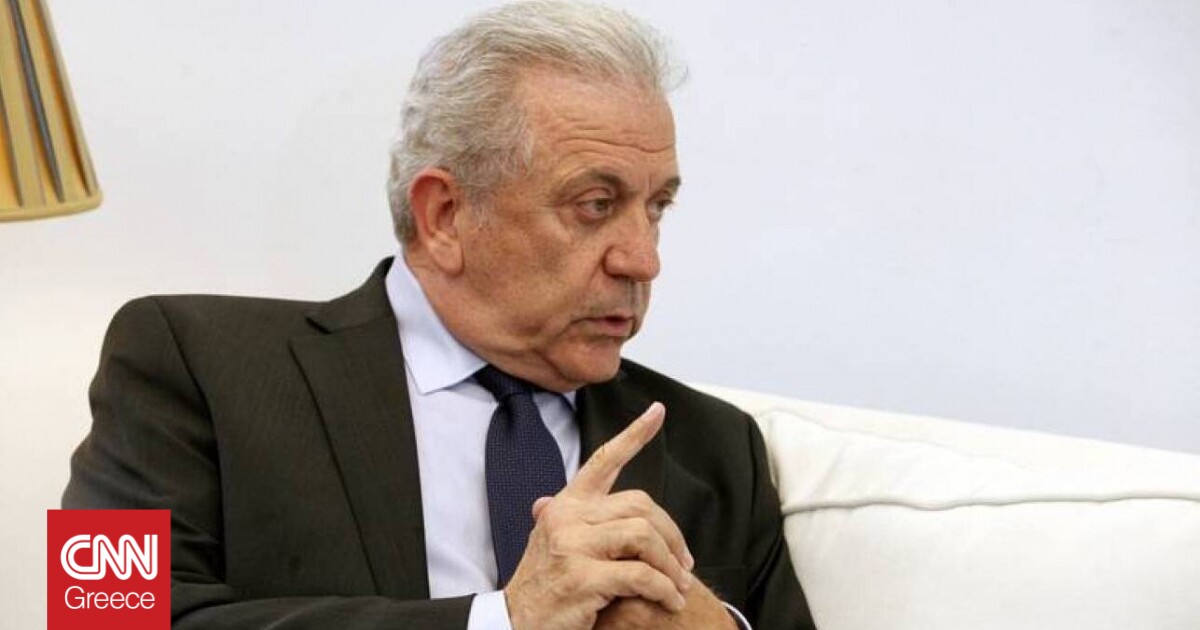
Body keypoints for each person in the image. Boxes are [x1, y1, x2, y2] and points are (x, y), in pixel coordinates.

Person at [63, 2, 815, 628]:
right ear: (444, 216)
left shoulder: (715, 448)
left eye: (657, 208)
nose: (643, 260)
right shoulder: (188, 362)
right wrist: (503, 621)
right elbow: (98, 615)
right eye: (595, 205)